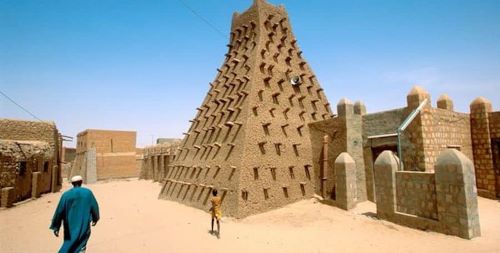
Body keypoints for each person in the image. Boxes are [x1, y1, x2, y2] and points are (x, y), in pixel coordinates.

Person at [50, 175, 100, 253]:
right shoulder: (88, 193)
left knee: (69, 245)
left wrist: (56, 226)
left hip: (69, 228)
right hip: (84, 226)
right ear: (81, 182)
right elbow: (94, 207)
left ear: (72, 183)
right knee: (81, 246)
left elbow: (59, 211)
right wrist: (95, 218)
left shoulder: (66, 195)